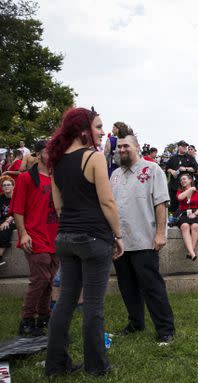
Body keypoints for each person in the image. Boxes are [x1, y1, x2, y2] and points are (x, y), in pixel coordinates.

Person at [44, 107, 124, 377]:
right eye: (98, 127)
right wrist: (118, 235)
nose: (103, 132)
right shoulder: (94, 158)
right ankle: (96, 367)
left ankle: (55, 365)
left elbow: (58, 206)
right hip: (93, 239)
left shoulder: (56, 161)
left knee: (65, 301)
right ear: (83, 130)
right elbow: (107, 201)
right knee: (93, 305)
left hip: (65, 238)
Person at [110, 128, 175, 345]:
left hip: (145, 240)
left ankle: (165, 329)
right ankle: (135, 323)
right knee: (127, 286)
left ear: (137, 147)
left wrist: (159, 234)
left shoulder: (152, 169)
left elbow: (160, 203)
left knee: (152, 287)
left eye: (126, 146)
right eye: (119, 147)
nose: (122, 150)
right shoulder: (115, 175)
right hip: (120, 242)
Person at [9, 140, 59, 337]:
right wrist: (23, 234)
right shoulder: (26, 179)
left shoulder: (57, 177)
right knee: (41, 278)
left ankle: (43, 318)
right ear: (38, 155)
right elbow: (17, 209)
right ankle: (26, 319)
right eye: (49, 151)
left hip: (55, 237)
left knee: (49, 280)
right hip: (35, 235)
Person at [175, 173, 198, 260]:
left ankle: (190, 252)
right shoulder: (180, 192)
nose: (182, 181)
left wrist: (195, 214)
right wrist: (190, 189)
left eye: (184, 179)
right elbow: (180, 198)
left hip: (195, 213)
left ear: (190, 180)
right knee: (185, 226)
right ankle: (192, 253)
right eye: (181, 180)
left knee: (195, 226)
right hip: (183, 213)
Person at [166, 140, 195, 213]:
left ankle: (186, 217)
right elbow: (167, 168)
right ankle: (174, 218)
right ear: (179, 147)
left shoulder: (190, 157)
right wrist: (172, 171)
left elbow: (195, 169)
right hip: (174, 185)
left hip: (186, 186)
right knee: (174, 204)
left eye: (186, 146)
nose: (185, 147)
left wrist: (185, 168)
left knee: (186, 204)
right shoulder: (173, 158)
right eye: (183, 146)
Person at [0, 175, 16, 267]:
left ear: (13, 186)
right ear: (1, 187)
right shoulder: (1, 198)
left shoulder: (17, 196)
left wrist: (7, 221)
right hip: (3, 219)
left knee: (5, 229)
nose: (6, 186)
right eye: (4, 185)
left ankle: (0, 256)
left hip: (16, 219)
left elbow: (18, 211)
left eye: (9, 184)